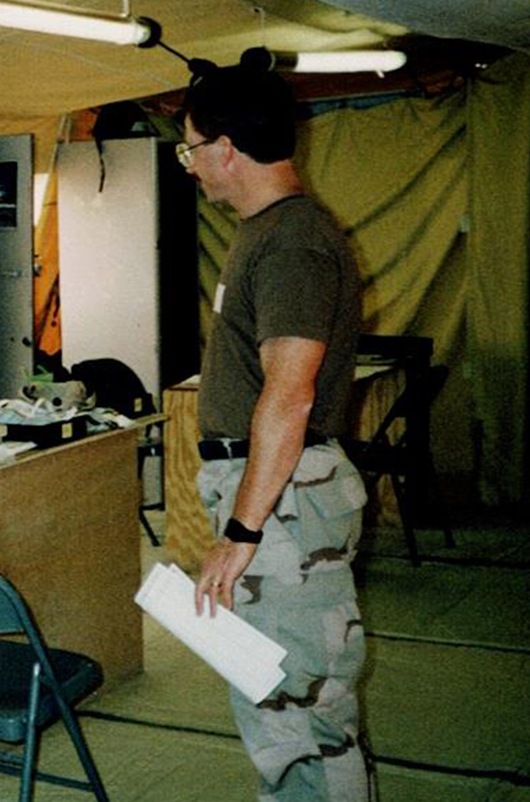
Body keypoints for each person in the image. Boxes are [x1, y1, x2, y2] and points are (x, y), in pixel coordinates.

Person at [181, 64, 369, 801]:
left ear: (226, 148)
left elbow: (290, 395)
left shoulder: (290, 240)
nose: (190, 164)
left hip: (282, 506)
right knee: (305, 713)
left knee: (289, 710)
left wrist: (244, 530)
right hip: (277, 498)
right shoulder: (268, 232)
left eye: (190, 147)